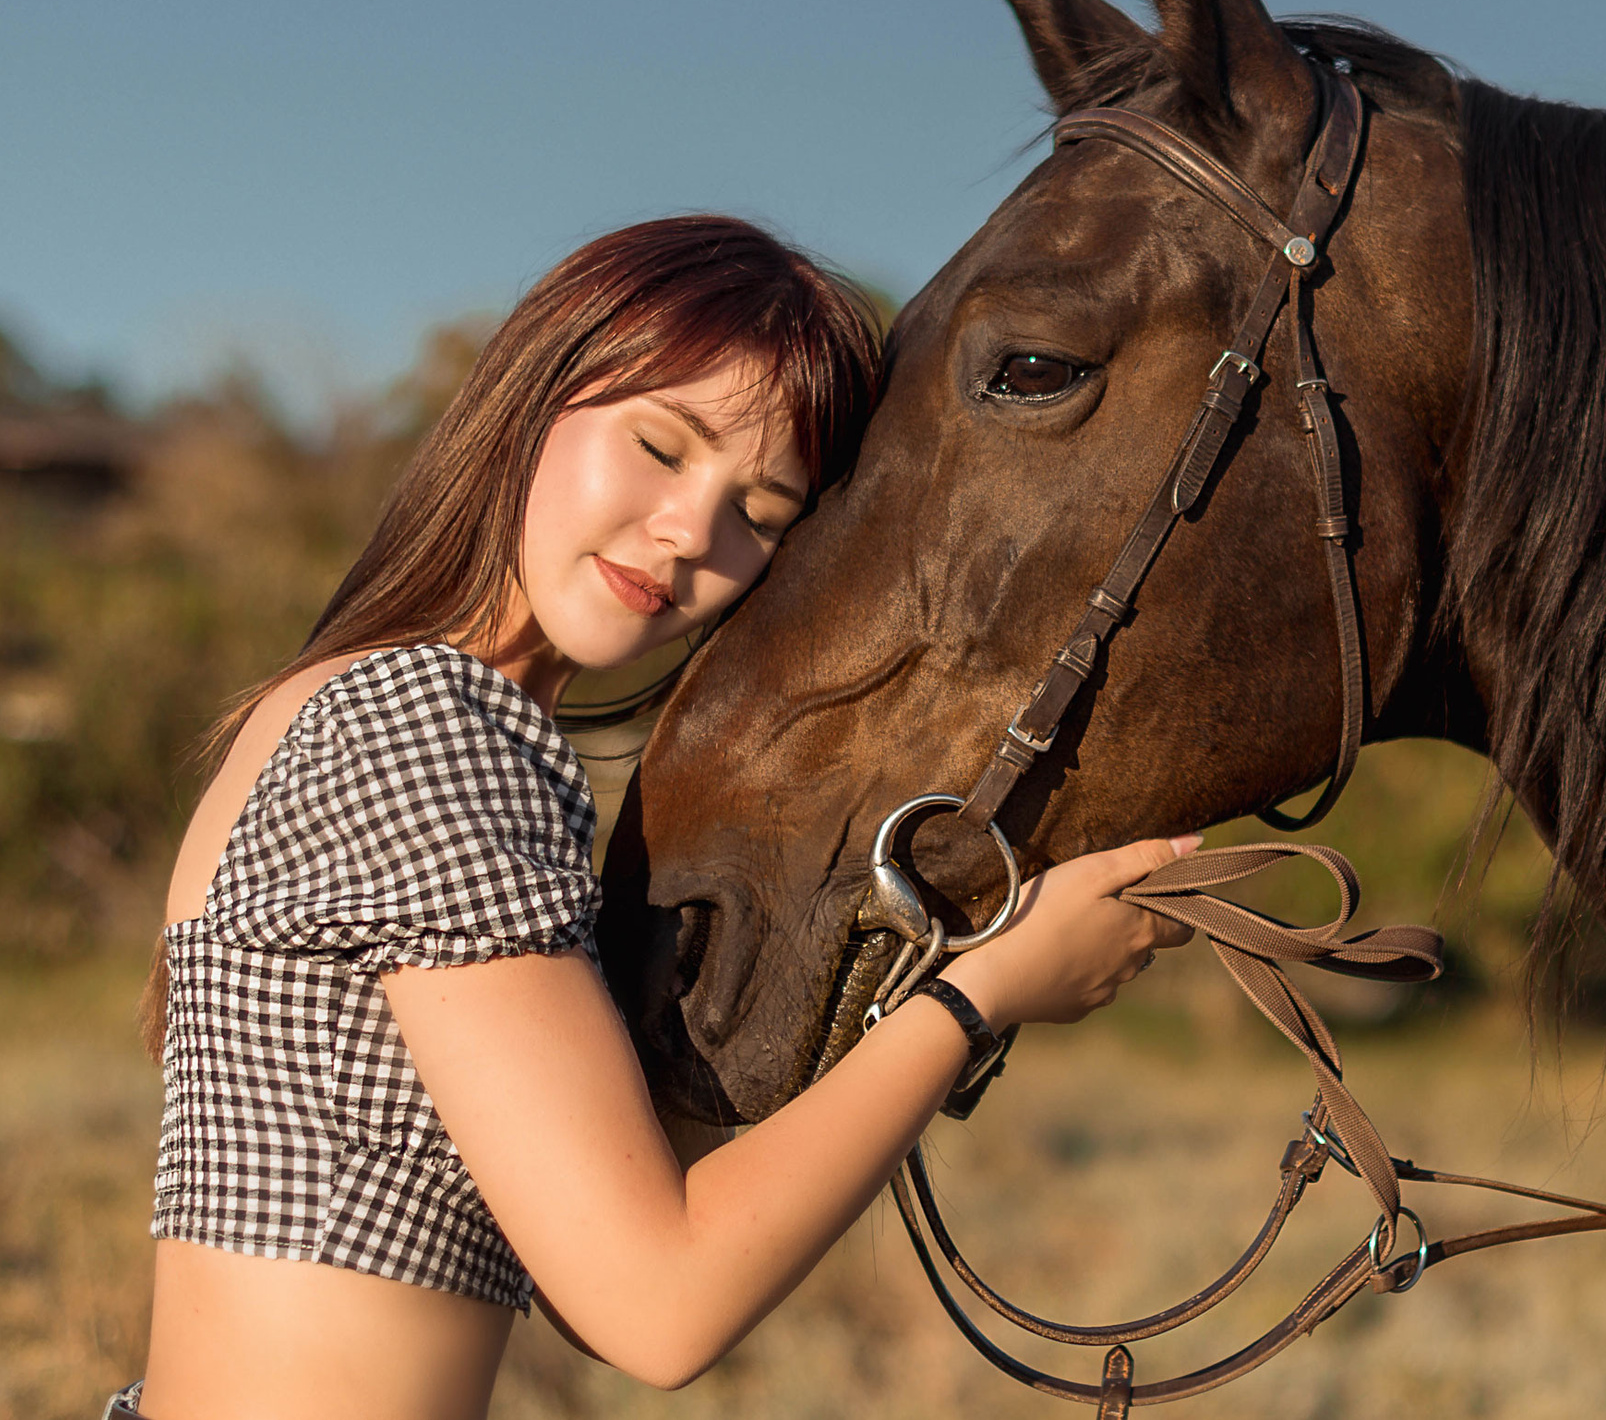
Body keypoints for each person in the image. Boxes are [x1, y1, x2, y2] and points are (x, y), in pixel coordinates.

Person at [120, 216, 1194, 1419]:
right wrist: (981, 992)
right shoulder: (425, 726)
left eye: (761, 514)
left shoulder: (357, 705)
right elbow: (656, 1306)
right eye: (658, 445)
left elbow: (588, 1294)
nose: (691, 533)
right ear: (531, 396)